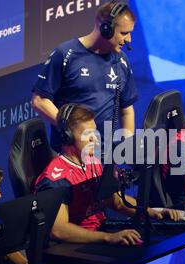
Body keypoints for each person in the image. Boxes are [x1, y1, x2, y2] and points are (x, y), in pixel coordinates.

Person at [35, 104, 180, 246]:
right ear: (67, 137)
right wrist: (108, 238)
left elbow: (114, 201)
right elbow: (59, 231)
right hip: (75, 246)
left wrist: (153, 213)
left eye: (95, 133)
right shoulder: (56, 179)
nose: (96, 140)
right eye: (88, 135)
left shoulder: (93, 162)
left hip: (100, 234)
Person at [31, 1, 138, 152]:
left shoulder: (121, 61)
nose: (129, 40)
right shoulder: (66, 54)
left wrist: (126, 150)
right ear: (105, 29)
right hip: (69, 156)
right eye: (124, 33)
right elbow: (39, 101)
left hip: (105, 159)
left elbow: (126, 110)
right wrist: (70, 130)